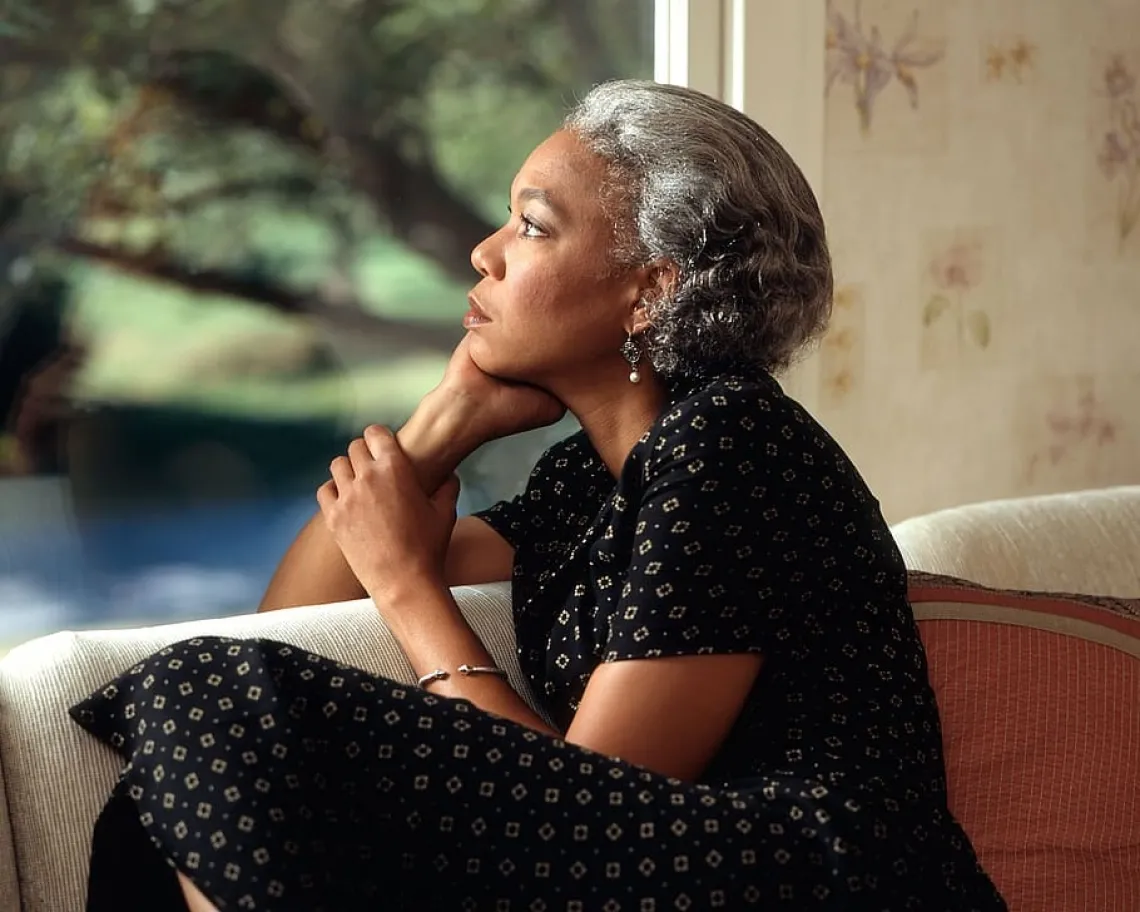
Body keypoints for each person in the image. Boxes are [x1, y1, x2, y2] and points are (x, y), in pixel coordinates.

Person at [70, 80, 1007, 911]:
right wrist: (444, 423)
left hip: (810, 874)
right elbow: (283, 623)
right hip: (677, 866)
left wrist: (409, 586)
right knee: (201, 748)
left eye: (532, 226)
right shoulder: (587, 480)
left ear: (651, 293)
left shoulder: (733, 445)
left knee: (213, 695)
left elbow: (594, 793)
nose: (485, 253)